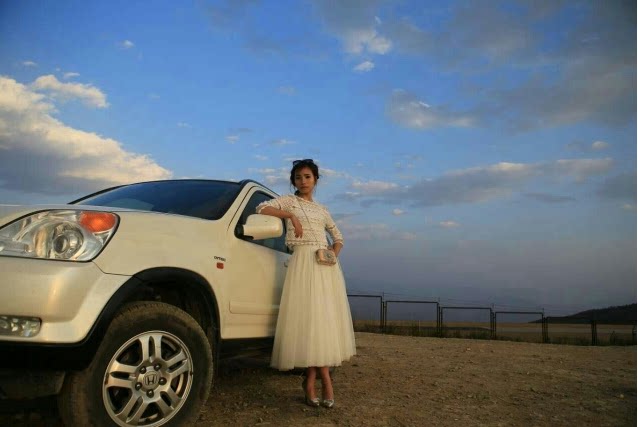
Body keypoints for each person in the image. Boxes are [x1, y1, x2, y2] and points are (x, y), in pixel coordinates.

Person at [256, 158, 356, 408]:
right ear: (293, 181)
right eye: (298, 177)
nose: (303, 181)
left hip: (324, 269)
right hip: (302, 265)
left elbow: (339, 237)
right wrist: (290, 215)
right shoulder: (290, 201)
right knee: (310, 321)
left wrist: (333, 254)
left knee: (321, 323)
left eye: (307, 177)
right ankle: (324, 380)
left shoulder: (322, 209)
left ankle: (312, 380)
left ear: (316, 180)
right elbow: (262, 208)